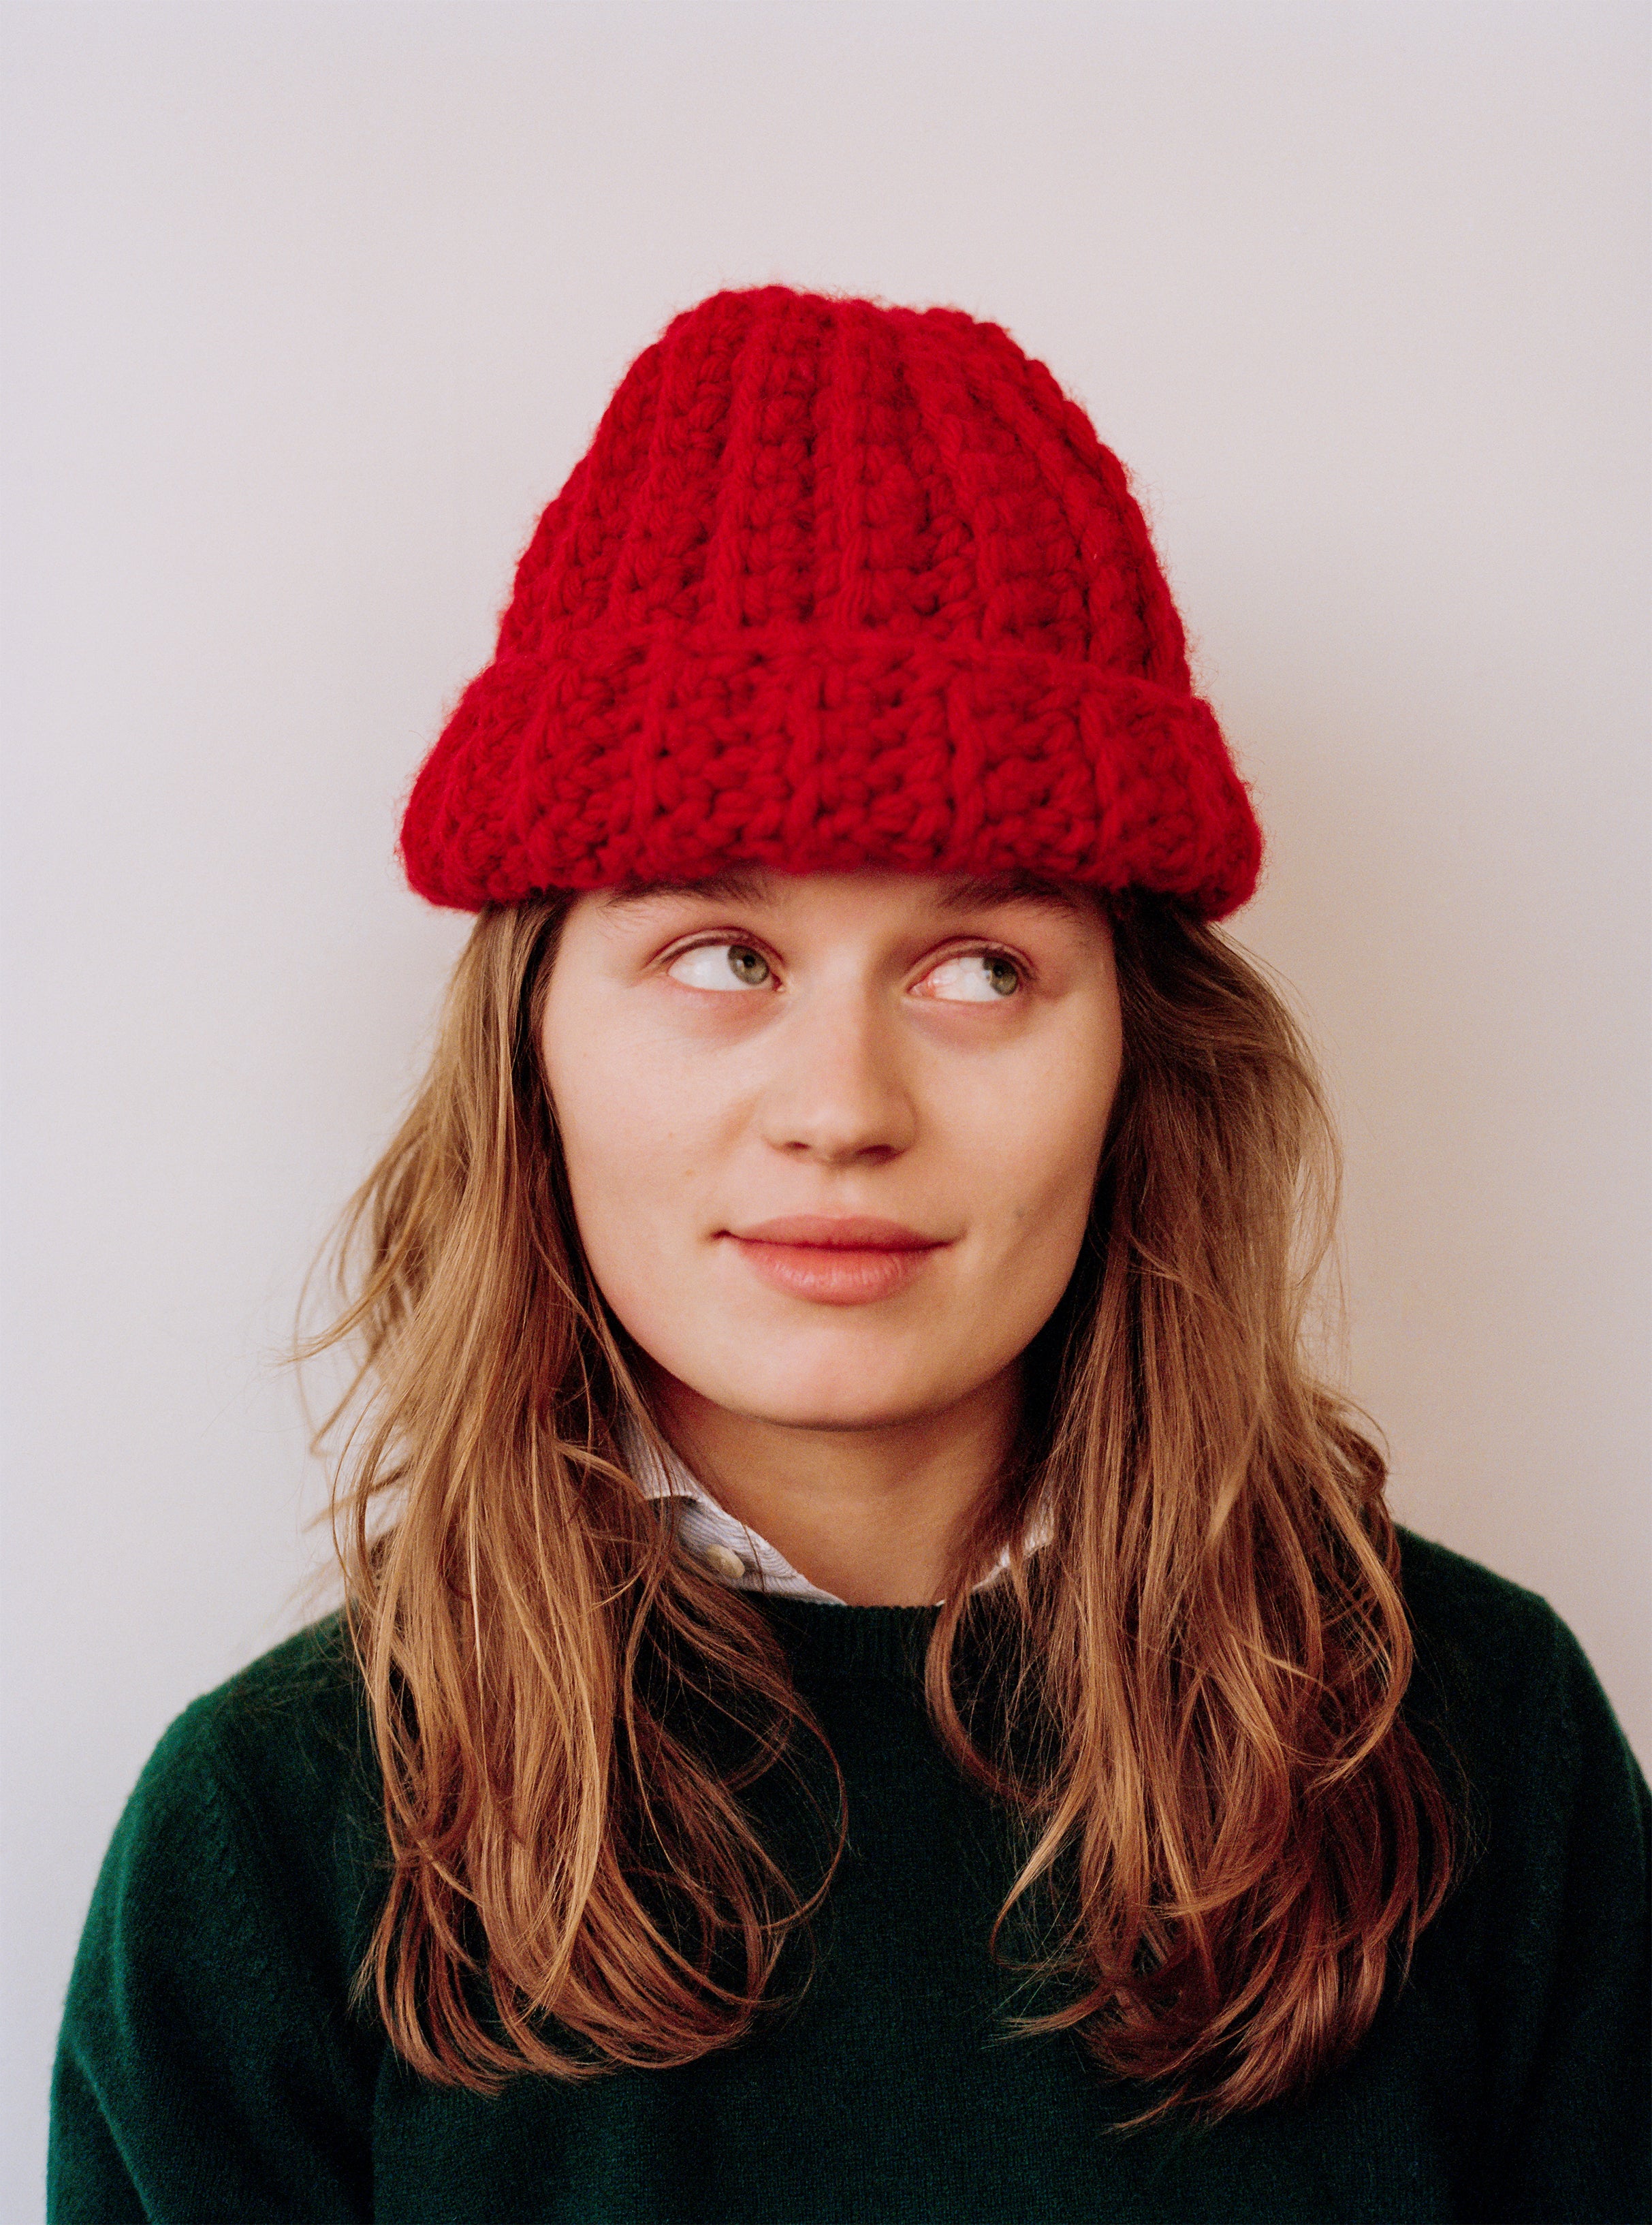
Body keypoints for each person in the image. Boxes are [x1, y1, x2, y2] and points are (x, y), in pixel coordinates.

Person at [48, 285, 1649, 2224]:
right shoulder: (274, 1840)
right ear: (531, 1045)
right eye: (719, 955)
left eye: (979, 966)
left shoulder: (1477, 1750)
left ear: (1139, 1058)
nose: (841, 1103)